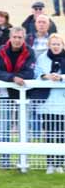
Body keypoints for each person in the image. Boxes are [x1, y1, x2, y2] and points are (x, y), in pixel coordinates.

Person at [0, 27, 37, 168]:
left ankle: (23, 161)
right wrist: (12, 78)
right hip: (5, 95)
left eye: (20, 37)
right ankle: (4, 162)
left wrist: (14, 77)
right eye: (14, 37)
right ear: (10, 37)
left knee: (24, 129)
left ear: (24, 38)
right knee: (4, 128)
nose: (17, 40)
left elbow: (30, 73)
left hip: (24, 95)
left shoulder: (30, 52)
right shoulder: (0, 51)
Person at [35, 33, 65, 173]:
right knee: (49, 133)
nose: (55, 46)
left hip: (62, 101)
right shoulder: (42, 58)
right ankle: (50, 164)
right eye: (53, 44)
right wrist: (45, 76)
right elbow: (36, 73)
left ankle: (59, 163)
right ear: (49, 45)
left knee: (61, 134)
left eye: (58, 44)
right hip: (47, 102)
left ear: (62, 45)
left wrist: (61, 77)